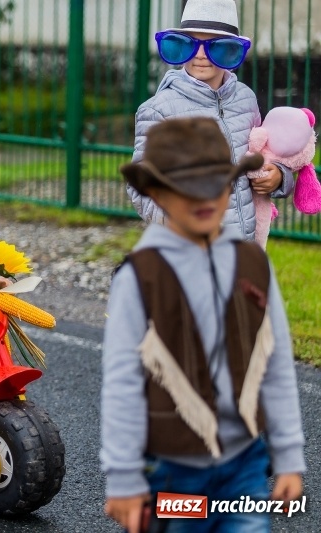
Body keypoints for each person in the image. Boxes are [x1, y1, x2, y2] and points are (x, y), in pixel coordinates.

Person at [102, 117, 305, 533]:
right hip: (174, 471)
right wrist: (123, 477)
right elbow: (121, 381)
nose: (203, 196)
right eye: (185, 186)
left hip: (244, 464)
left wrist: (288, 455)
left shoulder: (253, 265)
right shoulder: (140, 277)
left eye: (215, 181)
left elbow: (278, 364)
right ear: (156, 193)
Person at [126, 0, 293, 242]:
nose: (201, 55)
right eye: (190, 44)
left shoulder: (245, 99)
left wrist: (279, 176)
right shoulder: (158, 110)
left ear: (232, 50)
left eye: (215, 46)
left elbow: (264, 154)